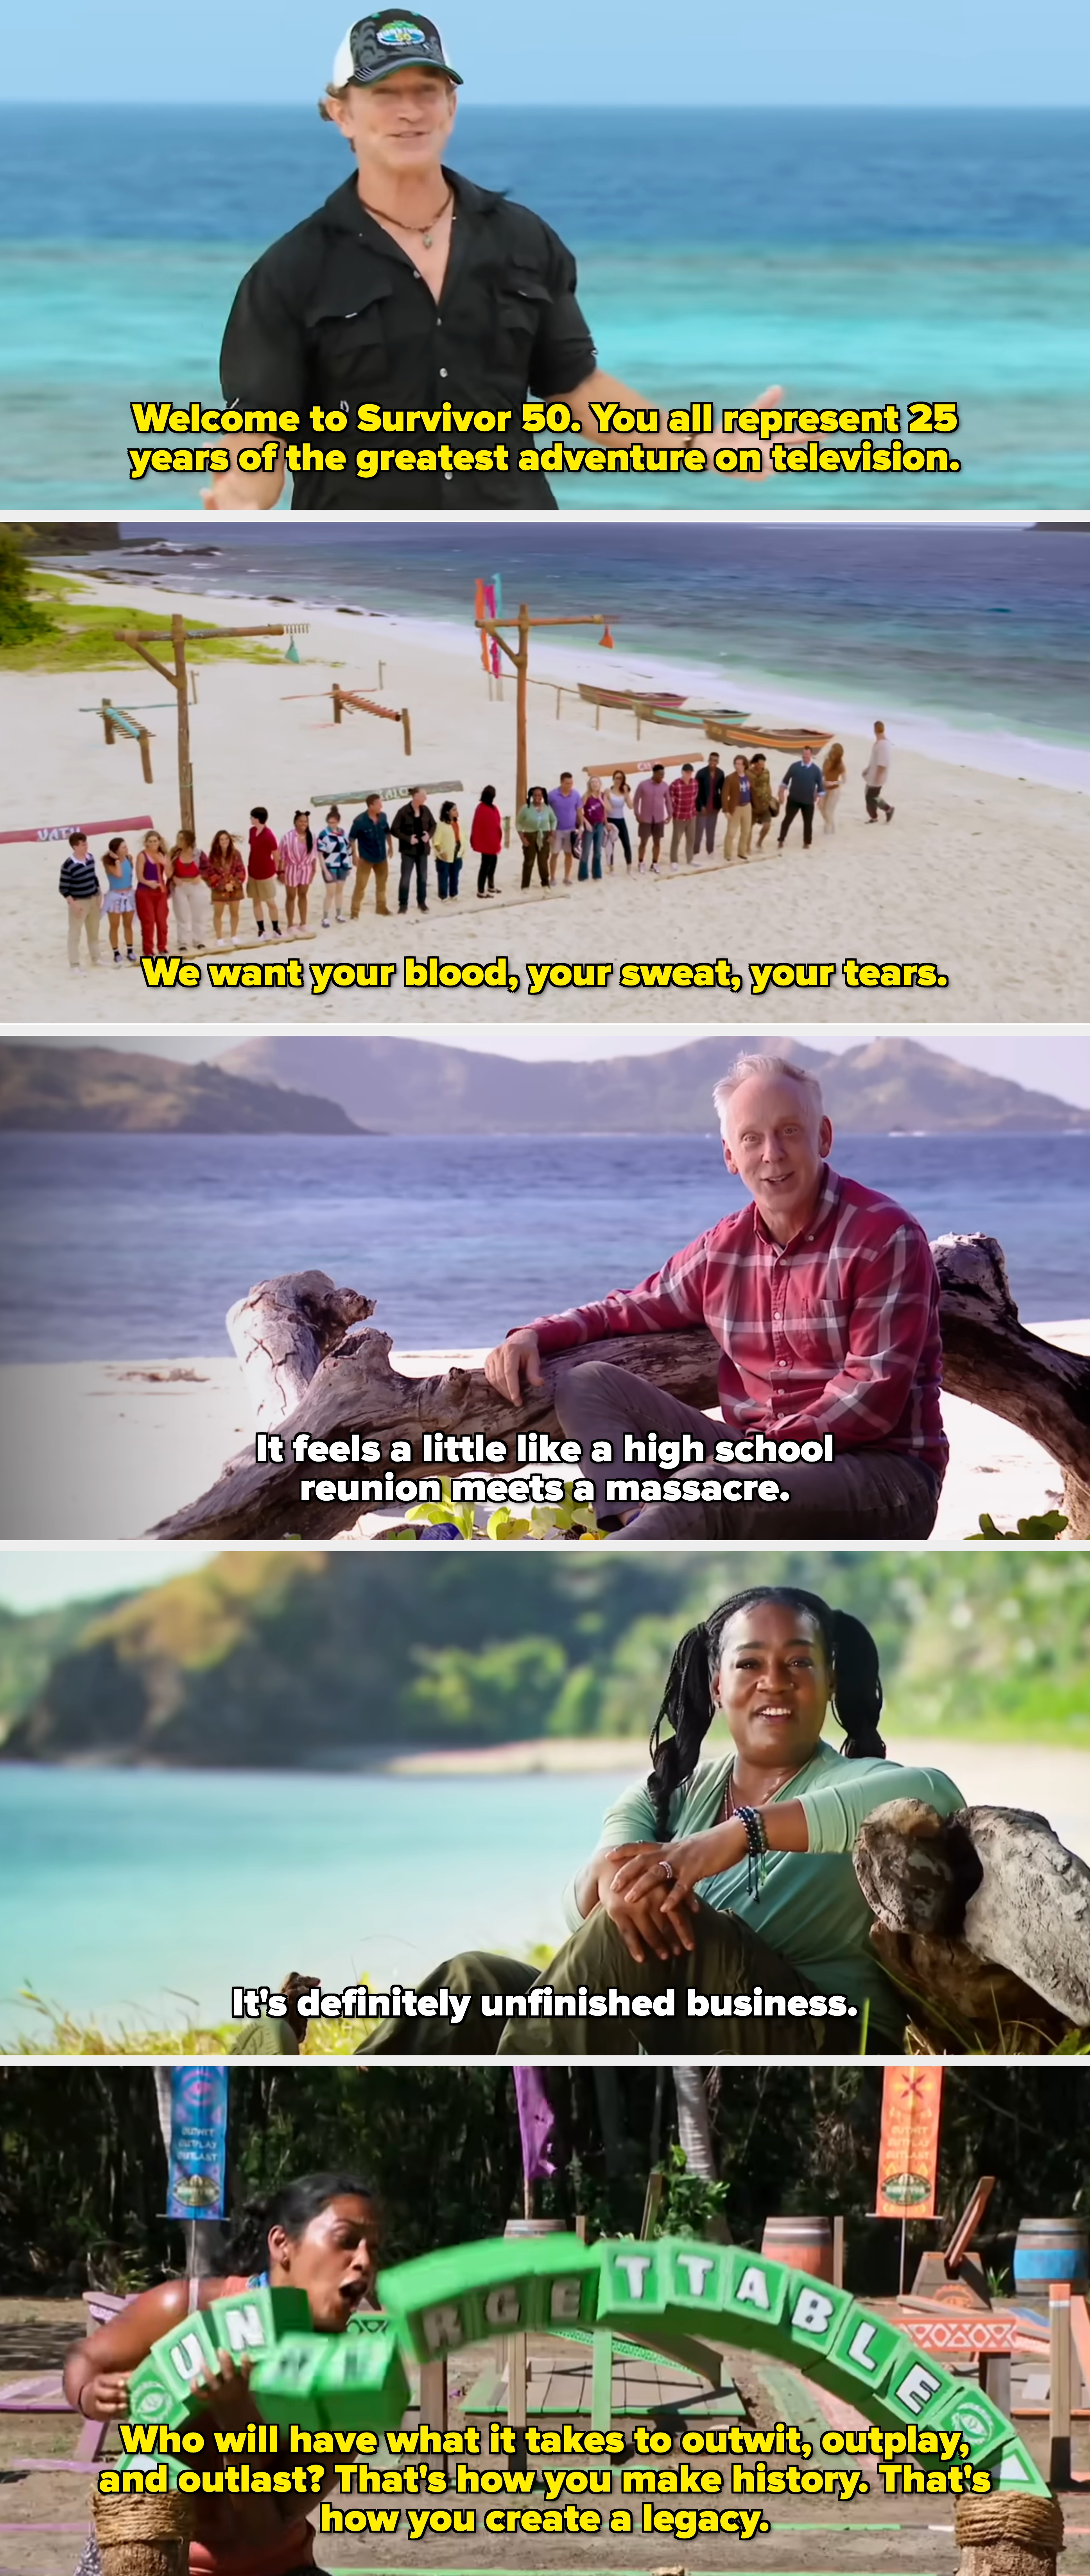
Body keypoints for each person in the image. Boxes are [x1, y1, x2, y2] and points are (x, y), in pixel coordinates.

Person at [209, 11, 780, 515]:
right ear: (342, 114)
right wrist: (237, 506)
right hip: (367, 546)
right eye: (385, 93)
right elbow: (258, 440)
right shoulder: (290, 272)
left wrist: (701, 443)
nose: (410, 112)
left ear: (452, 107)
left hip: (519, 538)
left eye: (427, 90)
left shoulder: (523, 241)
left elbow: (578, 391)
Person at [357, 1588, 965, 2059]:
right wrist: (610, 1876)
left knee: (659, 1915)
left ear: (830, 1679)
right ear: (716, 1685)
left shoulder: (857, 1782)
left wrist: (735, 1835)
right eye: (750, 1663)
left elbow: (933, 1792)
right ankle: (368, 2095)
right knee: (474, 1979)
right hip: (685, 2022)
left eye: (798, 1663)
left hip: (818, 2036)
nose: (773, 1682)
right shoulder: (663, 1795)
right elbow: (589, 1922)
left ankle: (515, 2111)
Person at [483, 1052, 947, 1542]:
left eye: (790, 1130)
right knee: (590, 1385)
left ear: (824, 1136)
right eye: (751, 1138)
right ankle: (640, 1526)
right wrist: (534, 1333)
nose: (772, 1153)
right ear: (730, 1155)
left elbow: (871, 1395)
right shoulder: (723, 1248)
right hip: (752, 1460)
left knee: (706, 1491)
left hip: (883, 1479)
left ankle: (609, 1568)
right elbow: (629, 1307)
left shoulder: (884, 1235)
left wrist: (752, 1459)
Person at [66, 2173, 381, 2576]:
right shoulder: (187, 2306)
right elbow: (85, 2355)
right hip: (142, 2554)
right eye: (345, 2240)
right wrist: (88, 2393)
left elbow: (265, 2529)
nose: (365, 2261)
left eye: (374, 2248)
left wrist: (236, 2419)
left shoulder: (348, 2381)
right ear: (282, 2243)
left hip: (273, 2565)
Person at [58, 832, 102, 972]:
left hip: (93, 900)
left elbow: (94, 877)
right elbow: (63, 888)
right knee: (75, 934)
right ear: (75, 847)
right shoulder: (68, 865)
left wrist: (99, 893)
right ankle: (75, 964)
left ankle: (96, 958)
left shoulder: (90, 859)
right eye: (83, 845)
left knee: (94, 932)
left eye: (86, 844)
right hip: (79, 902)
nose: (86, 847)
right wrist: (74, 904)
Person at [391, 786, 435, 912]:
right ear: (416, 797)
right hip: (408, 851)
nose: (426, 798)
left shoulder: (426, 810)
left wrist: (429, 835)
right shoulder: (403, 811)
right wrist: (408, 838)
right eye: (423, 796)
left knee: (423, 877)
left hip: (423, 850)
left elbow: (434, 825)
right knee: (406, 878)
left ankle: (422, 903)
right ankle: (403, 905)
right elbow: (394, 829)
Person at [348, 793, 393, 915]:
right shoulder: (360, 821)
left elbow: (387, 832)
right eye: (379, 804)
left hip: (382, 857)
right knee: (361, 886)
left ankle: (381, 908)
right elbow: (352, 839)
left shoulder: (383, 817)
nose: (381, 806)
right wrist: (354, 856)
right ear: (371, 806)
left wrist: (391, 846)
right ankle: (355, 911)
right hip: (366, 859)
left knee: (382, 885)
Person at [777, 744, 825, 850]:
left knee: (808, 823)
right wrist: (781, 793)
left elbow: (821, 787)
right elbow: (785, 782)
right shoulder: (795, 767)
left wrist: (820, 800)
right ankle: (781, 840)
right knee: (787, 820)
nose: (805, 757)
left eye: (807, 755)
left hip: (808, 802)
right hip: (794, 799)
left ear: (811, 755)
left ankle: (807, 843)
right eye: (804, 755)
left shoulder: (816, 770)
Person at [169, 829, 210, 952]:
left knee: (198, 915)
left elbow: (208, 867)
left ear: (187, 841)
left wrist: (200, 876)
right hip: (180, 887)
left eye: (180, 839)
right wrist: (174, 878)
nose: (178, 842)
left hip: (196, 885)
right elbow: (168, 870)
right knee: (182, 915)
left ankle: (199, 941)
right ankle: (182, 942)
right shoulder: (174, 855)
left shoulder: (198, 854)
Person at [206, 828, 247, 946]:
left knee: (235, 913)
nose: (224, 841)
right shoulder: (213, 856)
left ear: (229, 840)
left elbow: (241, 870)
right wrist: (223, 885)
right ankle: (219, 938)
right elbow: (211, 873)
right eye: (221, 840)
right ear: (218, 842)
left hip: (235, 888)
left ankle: (234, 936)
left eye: (226, 839)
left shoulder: (236, 854)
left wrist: (232, 884)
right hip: (219, 888)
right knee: (218, 914)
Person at [134, 831, 172, 958]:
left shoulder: (163, 855)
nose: (153, 844)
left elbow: (169, 875)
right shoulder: (143, 856)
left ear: (159, 842)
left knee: (162, 921)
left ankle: (163, 947)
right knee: (149, 922)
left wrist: (165, 864)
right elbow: (140, 877)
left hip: (160, 892)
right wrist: (149, 884)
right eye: (150, 841)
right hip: (145, 892)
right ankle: (148, 950)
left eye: (155, 841)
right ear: (146, 843)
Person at [278, 810, 317, 929]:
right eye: (301, 822)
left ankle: (303, 923)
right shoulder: (288, 837)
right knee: (291, 896)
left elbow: (314, 855)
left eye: (306, 822)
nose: (304, 824)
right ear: (296, 822)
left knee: (304, 895)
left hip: (306, 869)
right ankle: (291, 924)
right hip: (291, 869)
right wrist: (281, 872)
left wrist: (314, 871)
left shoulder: (312, 837)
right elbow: (282, 856)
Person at [247, 806, 282, 936]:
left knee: (270, 902)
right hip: (253, 872)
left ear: (258, 819)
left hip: (266, 873)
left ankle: (276, 928)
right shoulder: (252, 831)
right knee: (256, 901)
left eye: (252, 817)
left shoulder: (269, 836)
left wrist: (278, 871)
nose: (250, 819)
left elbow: (276, 855)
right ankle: (261, 929)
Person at [101, 836, 136, 965]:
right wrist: (116, 860)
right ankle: (116, 952)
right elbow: (119, 875)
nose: (127, 849)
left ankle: (130, 950)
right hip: (115, 896)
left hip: (128, 895)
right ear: (116, 851)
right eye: (124, 847)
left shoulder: (129, 859)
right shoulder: (109, 863)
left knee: (128, 925)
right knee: (114, 926)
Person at [317, 804, 352, 925]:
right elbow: (320, 854)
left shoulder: (343, 834)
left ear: (338, 822)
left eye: (334, 822)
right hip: (330, 866)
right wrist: (325, 871)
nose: (332, 824)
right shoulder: (324, 835)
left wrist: (349, 866)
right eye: (330, 822)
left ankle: (339, 914)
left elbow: (348, 851)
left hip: (343, 865)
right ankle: (325, 917)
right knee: (330, 893)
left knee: (340, 891)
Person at [516, 786, 556, 889]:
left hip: (544, 836)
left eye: (539, 795)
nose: (537, 798)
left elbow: (554, 820)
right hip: (530, 836)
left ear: (543, 796)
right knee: (529, 862)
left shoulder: (547, 808)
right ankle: (525, 886)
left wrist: (552, 834)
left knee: (543, 862)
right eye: (535, 795)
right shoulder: (526, 808)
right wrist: (522, 838)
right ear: (532, 796)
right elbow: (519, 823)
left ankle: (545, 883)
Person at [633, 764, 671, 870]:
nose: (662, 777)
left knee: (657, 842)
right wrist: (637, 814)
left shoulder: (665, 786)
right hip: (646, 819)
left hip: (659, 819)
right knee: (644, 842)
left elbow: (668, 801)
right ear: (654, 773)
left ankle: (655, 864)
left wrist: (670, 814)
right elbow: (636, 800)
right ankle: (641, 863)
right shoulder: (643, 785)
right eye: (660, 775)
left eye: (663, 775)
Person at [549, 773, 583, 885]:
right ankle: (553, 878)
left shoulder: (576, 795)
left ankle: (567, 878)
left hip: (571, 830)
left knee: (569, 854)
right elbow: (546, 812)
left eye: (571, 783)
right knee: (555, 854)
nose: (570, 785)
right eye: (567, 783)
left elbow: (579, 812)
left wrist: (581, 826)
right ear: (561, 783)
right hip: (556, 830)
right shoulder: (552, 795)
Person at [470, 784, 503, 896]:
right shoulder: (482, 809)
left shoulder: (492, 808)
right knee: (485, 867)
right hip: (487, 844)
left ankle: (491, 886)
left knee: (493, 865)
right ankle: (481, 891)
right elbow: (479, 827)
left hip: (494, 844)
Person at [722, 754, 753, 862]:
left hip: (747, 806)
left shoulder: (749, 776)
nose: (737, 766)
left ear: (744, 765)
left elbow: (752, 791)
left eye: (739, 764)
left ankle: (742, 852)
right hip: (736, 807)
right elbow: (725, 795)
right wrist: (726, 810)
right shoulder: (730, 778)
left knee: (746, 831)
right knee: (731, 832)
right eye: (736, 764)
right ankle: (728, 854)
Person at [694, 753, 725, 857]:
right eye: (711, 760)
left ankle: (710, 852)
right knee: (699, 831)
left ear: (718, 762)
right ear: (708, 760)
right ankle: (696, 852)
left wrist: (720, 805)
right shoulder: (701, 773)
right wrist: (701, 806)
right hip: (702, 808)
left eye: (715, 761)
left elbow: (723, 791)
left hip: (714, 808)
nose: (713, 762)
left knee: (711, 831)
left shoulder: (720, 774)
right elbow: (696, 792)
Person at [668, 762, 698, 867]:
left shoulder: (695, 783)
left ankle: (690, 859)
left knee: (691, 839)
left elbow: (695, 797)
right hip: (679, 816)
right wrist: (672, 811)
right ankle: (674, 861)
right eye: (687, 773)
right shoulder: (675, 785)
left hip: (691, 815)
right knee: (676, 839)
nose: (689, 775)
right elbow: (669, 799)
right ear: (683, 773)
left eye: (691, 773)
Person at [864, 721, 895, 824]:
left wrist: (878, 777)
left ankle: (888, 810)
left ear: (875, 730)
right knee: (872, 797)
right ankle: (875, 816)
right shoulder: (881, 743)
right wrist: (868, 770)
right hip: (873, 775)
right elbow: (875, 760)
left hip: (877, 777)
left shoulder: (883, 745)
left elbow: (883, 764)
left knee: (871, 798)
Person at [434, 799, 463, 898]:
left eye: (456, 809)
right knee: (444, 876)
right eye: (454, 810)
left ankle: (454, 894)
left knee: (455, 875)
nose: (456, 812)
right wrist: (441, 852)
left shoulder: (457, 824)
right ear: (447, 812)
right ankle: (443, 896)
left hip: (457, 853)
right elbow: (436, 842)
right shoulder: (441, 826)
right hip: (445, 855)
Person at [747, 752, 776, 851]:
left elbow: (768, 785)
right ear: (755, 764)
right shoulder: (749, 773)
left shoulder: (767, 773)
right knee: (749, 828)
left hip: (765, 804)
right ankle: (747, 847)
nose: (761, 767)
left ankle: (760, 842)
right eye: (759, 765)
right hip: (753, 805)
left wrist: (770, 797)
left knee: (767, 826)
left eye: (763, 765)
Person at [579, 778, 607, 881]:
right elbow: (579, 811)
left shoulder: (603, 796)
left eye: (596, 782)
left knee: (598, 852)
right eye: (592, 783)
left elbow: (607, 810)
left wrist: (600, 799)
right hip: (589, 826)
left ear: (600, 784)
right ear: (589, 785)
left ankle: (597, 875)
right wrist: (586, 823)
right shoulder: (587, 796)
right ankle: (583, 875)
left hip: (600, 825)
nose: (595, 784)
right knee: (586, 852)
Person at [605, 771, 633, 869]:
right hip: (610, 820)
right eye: (617, 778)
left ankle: (629, 867)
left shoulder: (624, 791)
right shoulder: (608, 792)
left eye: (621, 778)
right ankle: (611, 867)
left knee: (626, 843)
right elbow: (605, 809)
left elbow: (631, 806)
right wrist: (606, 823)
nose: (618, 781)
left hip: (621, 820)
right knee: (611, 845)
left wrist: (627, 793)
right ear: (613, 779)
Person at [820, 741, 846, 832]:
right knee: (821, 807)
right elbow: (822, 774)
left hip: (835, 790)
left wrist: (834, 783)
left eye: (835, 753)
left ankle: (830, 828)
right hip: (825, 788)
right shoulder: (827, 761)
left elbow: (844, 780)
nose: (832, 755)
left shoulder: (840, 766)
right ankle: (830, 823)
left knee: (828, 810)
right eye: (832, 752)